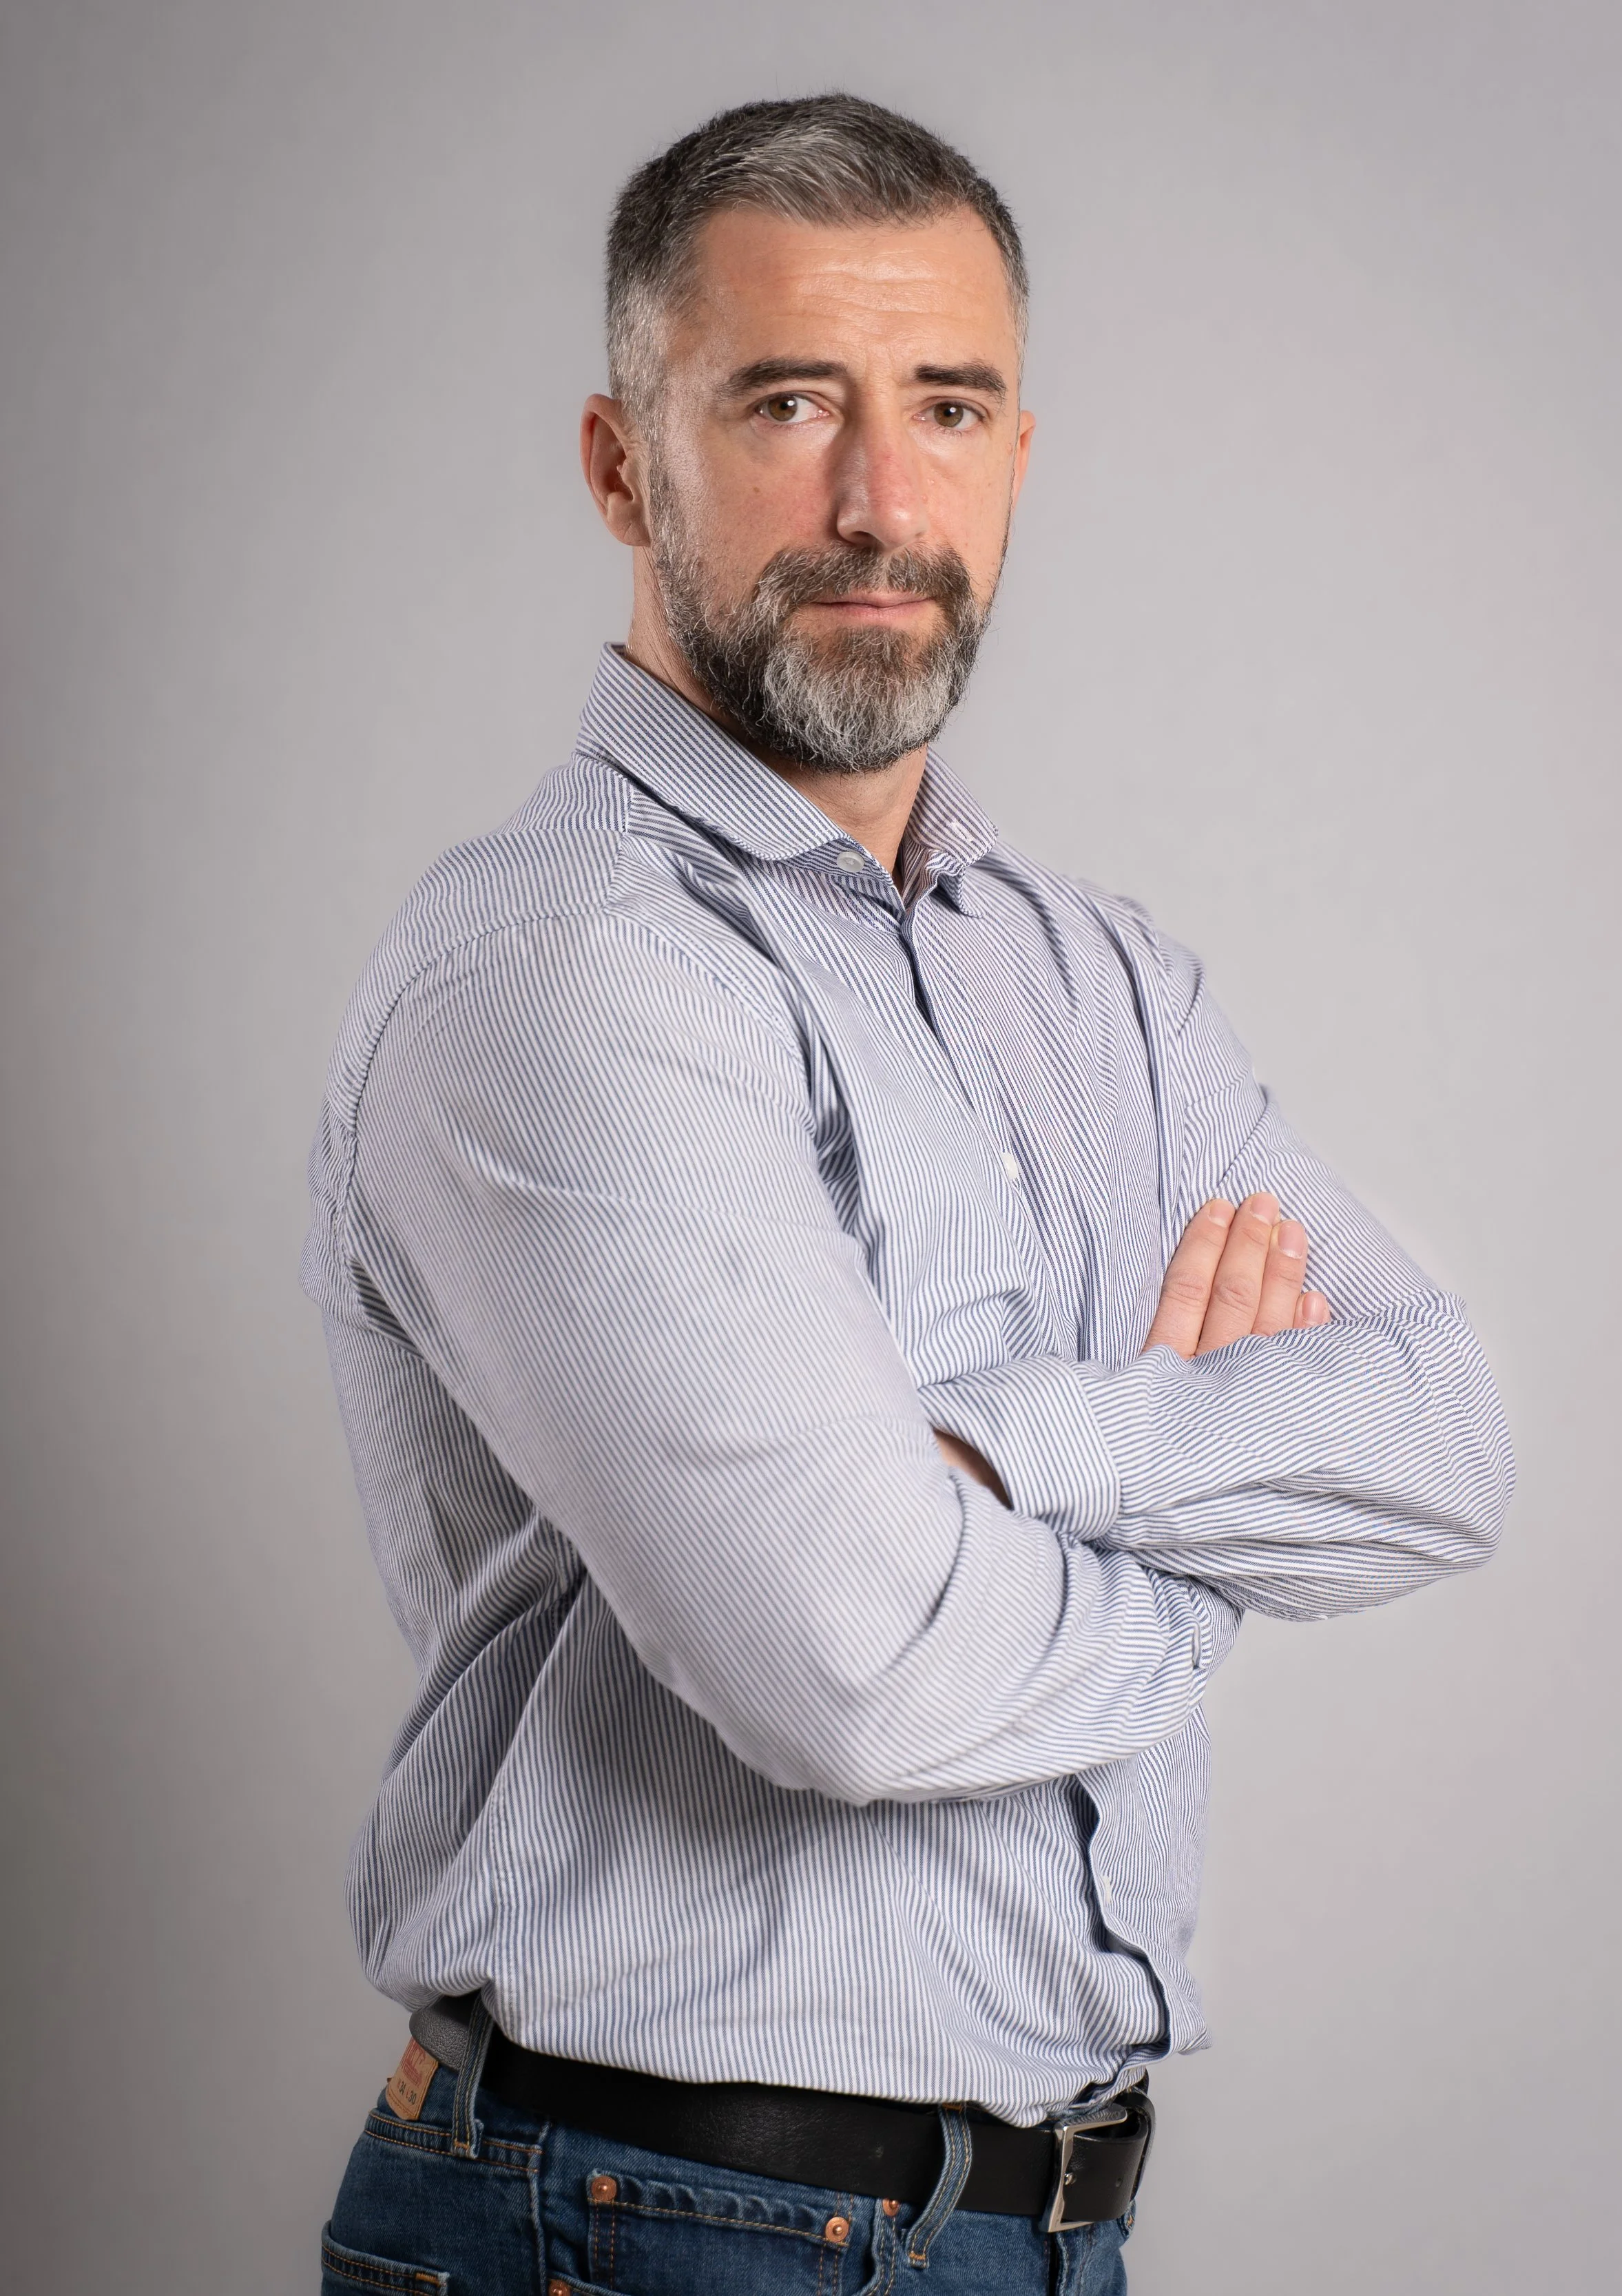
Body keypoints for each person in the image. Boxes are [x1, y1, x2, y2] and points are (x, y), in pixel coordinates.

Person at [304, 92, 1512, 2296]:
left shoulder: (1101, 976)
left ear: (1017, 459)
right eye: (786, 403)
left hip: (1032, 2228)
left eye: (943, 406)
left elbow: (1438, 1438)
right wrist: (1208, 1532)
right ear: (617, 465)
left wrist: (1008, 1442)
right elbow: (849, 1667)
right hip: (652, 2229)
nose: (880, 502)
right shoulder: (565, 972)